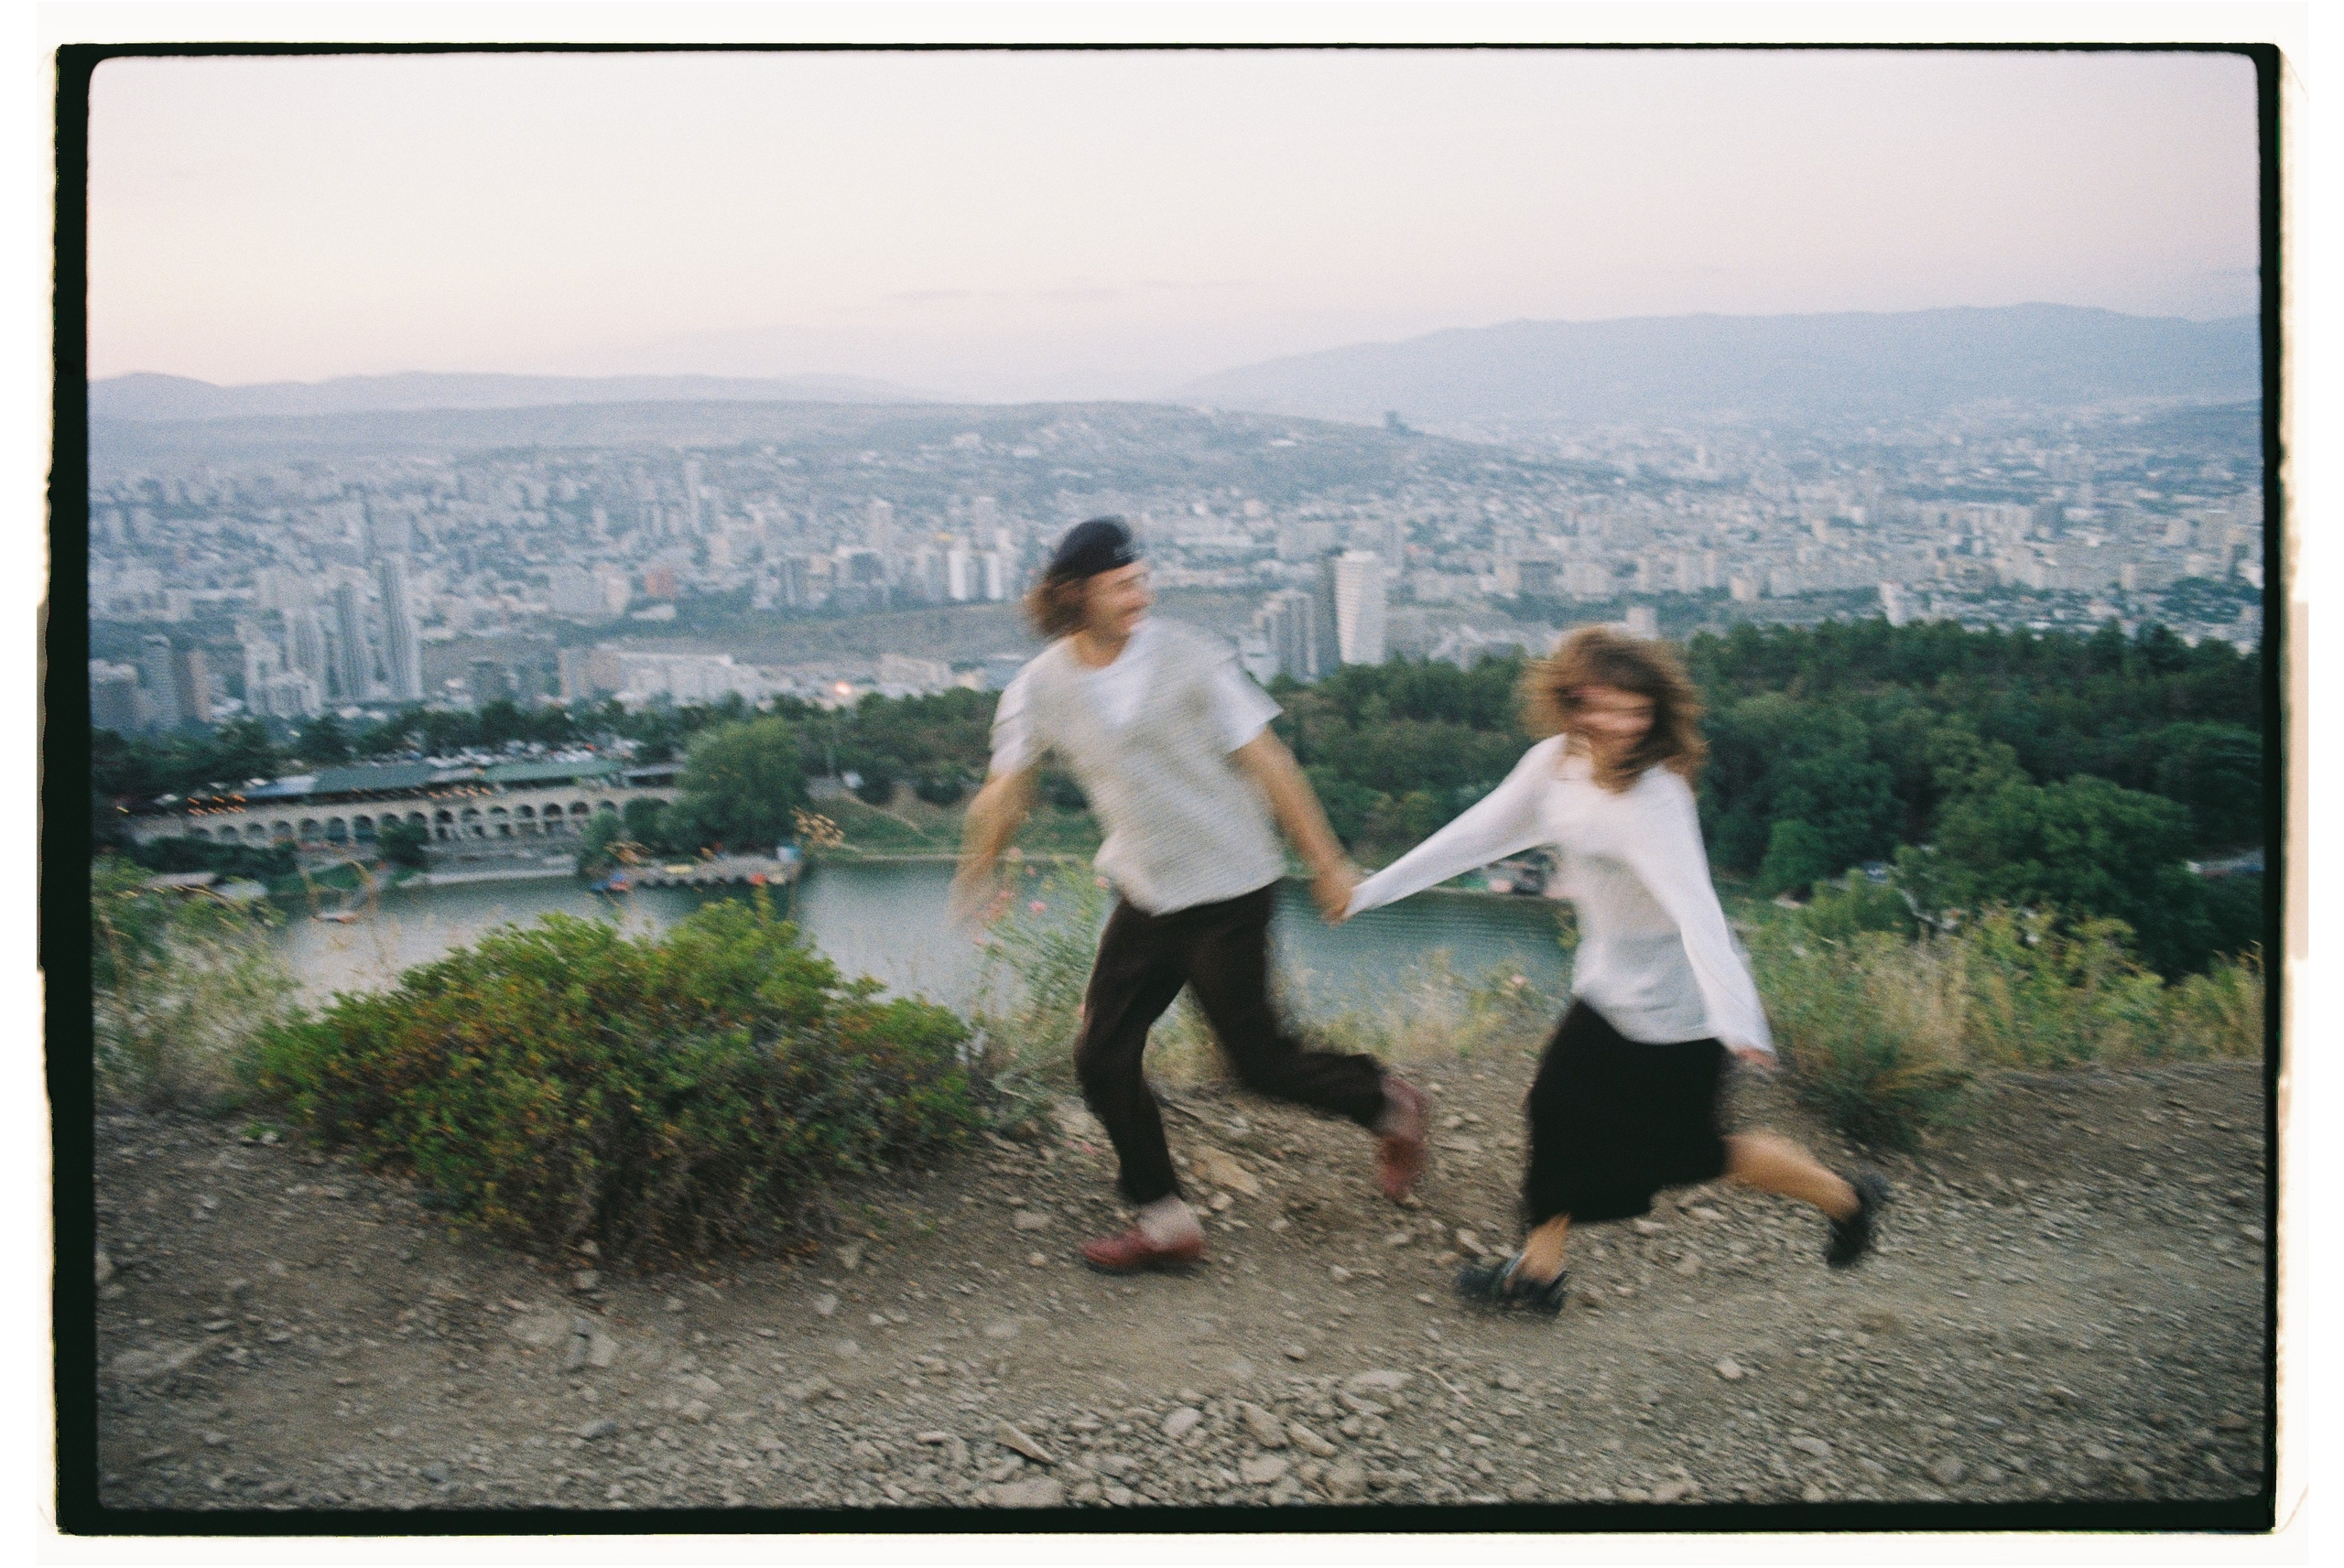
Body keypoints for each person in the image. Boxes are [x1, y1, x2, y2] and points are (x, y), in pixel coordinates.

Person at [1338, 624, 1886, 1314]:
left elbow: (1699, 910)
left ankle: (1847, 1197)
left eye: (1637, 711)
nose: (1621, 725)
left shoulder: (1655, 799)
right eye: (1605, 706)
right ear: (1572, 698)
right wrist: (1367, 894)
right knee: (1555, 1107)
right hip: (1608, 988)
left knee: (1693, 1156)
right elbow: (1474, 835)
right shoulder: (1554, 765)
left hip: (1680, 1007)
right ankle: (1538, 1276)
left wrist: (1738, 1017)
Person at [952, 517, 1429, 1273]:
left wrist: (1328, 861)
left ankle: (1389, 1104)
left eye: (1142, 578)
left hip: (1229, 885)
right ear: (1074, 595)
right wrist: (977, 864)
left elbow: (1269, 761)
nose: (1142, 594)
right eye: (1122, 585)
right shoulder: (1038, 686)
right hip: (1146, 889)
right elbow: (1007, 789)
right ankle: (1165, 1217)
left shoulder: (1194, 660)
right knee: (1102, 1055)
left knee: (1257, 1062)